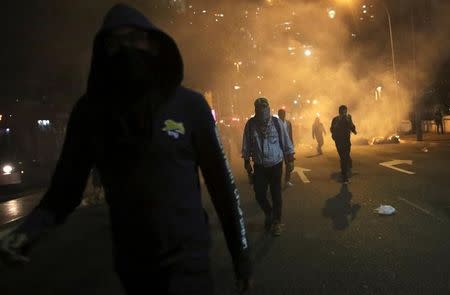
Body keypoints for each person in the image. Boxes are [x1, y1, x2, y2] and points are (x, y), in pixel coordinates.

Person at [0, 4, 252, 294]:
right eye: (116, 43)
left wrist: (240, 255)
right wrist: (27, 233)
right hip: (134, 266)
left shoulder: (189, 106)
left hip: (189, 260)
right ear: (103, 52)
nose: (126, 50)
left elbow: (222, 184)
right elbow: (64, 191)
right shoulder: (91, 113)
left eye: (134, 39)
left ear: (153, 44)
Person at [242, 98, 295, 236]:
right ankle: (269, 213)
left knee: (276, 193)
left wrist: (290, 159)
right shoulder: (250, 124)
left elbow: (286, 141)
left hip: (276, 164)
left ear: (268, 108)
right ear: (255, 109)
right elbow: (246, 144)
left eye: (263, 108)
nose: (261, 110)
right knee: (259, 194)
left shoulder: (276, 123)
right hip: (259, 166)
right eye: (258, 108)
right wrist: (247, 162)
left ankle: (276, 222)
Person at [330, 105, 357, 184]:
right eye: (343, 112)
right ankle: (344, 177)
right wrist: (339, 122)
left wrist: (350, 121)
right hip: (339, 142)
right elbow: (332, 129)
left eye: (345, 111)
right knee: (343, 158)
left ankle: (347, 170)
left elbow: (352, 128)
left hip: (347, 141)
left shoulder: (348, 118)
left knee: (346, 157)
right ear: (340, 112)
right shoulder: (335, 119)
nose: (345, 113)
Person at [278, 109, 294, 187]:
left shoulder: (288, 123)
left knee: (289, 165)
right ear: (278, 115)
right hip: (278, 147)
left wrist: (292, 146)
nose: (283, 115)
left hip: (287, 147)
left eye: (284, 114)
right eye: (281, 114)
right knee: (278, 165)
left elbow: (290, 135)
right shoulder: (275, 123)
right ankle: (278, 181)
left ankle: (287, 180)